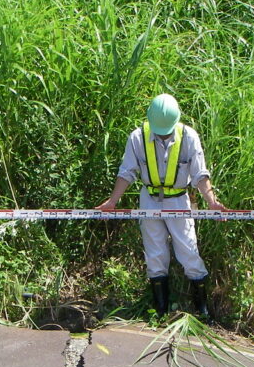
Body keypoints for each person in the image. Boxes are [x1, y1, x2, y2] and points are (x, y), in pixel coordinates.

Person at [97, 93, 226, 318]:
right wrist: (112, 201)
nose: (163, 134)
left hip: (179, 199)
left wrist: (212, 202)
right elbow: (126, 172)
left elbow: (200, 173)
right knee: (155, 255)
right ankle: (161, 312)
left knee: (188, 252)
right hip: (149, 199)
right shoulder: (137, 137)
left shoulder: (188, 137)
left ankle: (202, 311)